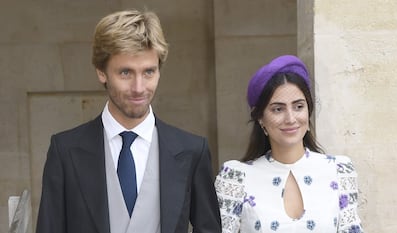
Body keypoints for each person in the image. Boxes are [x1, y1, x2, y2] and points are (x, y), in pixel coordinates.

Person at [36, 9, 221, 233]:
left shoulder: (192, 150)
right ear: (101, 72)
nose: (139, 88)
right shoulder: (65, 150)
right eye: (125, 73)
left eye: (149, 72)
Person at [215, 55, 364, 233]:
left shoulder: (339, 170)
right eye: (278, 109)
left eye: (298, 106)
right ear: (261, 118)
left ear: (308, 112)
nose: (290, 118)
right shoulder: (236, 177)